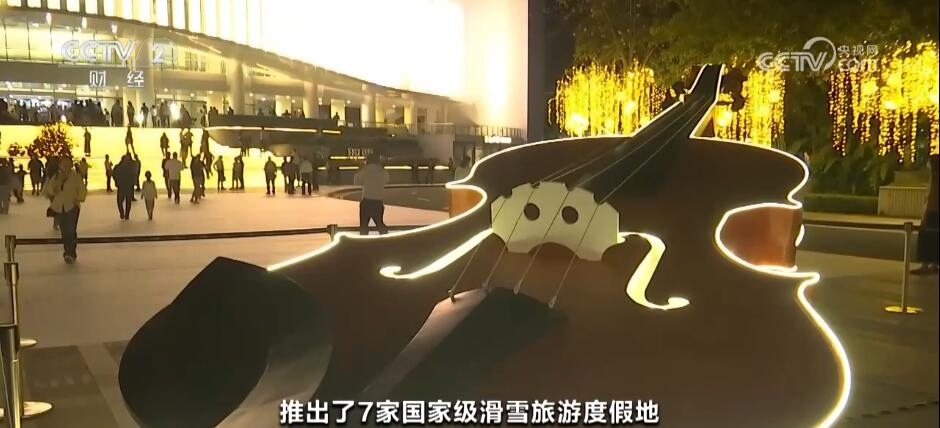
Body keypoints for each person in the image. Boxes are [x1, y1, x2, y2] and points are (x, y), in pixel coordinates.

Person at [44, 158, 87, 263]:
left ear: (71, 165)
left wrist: (77, 198)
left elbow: (82, 191)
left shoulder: (75, 177)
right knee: (64, 231)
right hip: (59, 208)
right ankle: (67, 251)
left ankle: (70, 253)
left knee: (71, 230)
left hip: (72, 207)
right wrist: (56, 186)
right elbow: (49, 190)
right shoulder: (56, 177)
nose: (65, 166)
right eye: (63, 164)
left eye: (67, 164)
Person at [912, 153, 939, 275]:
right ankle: (935, 263)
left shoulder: (934, 179)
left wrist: (925, 212)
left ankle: (925, 265)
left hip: (932, 211)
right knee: (935, 238)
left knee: (926, 238)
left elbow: (931, 197)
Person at [354, 154, 389, 235]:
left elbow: (356, 181)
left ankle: (364, 242)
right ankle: (386, 240)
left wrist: (359, 168)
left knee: (364, 227)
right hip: (378, 202)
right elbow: (387, 179)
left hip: (367, 201)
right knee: (380, 224)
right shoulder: (382, 171)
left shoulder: (365, 170)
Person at [113, 154, 136, 220]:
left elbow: (114, 175)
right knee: (128, 201)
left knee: (120, 201)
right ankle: (126, 214)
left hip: (121, 186)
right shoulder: (131, 167)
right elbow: (134, 175)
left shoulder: (118, 167)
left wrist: (117, 182)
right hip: (128, 186)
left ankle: (122, 213)